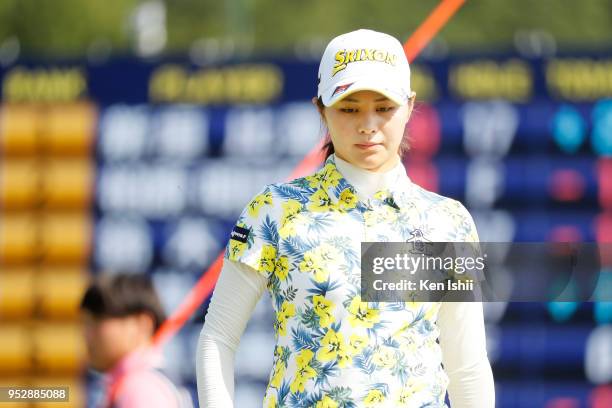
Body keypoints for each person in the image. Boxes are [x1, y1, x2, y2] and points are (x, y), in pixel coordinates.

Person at [196, 29, 495, 407]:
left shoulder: (448, 220)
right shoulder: (275, 210)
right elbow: (218, 338)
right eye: (349, 108)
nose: (368, 125)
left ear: (410, 106)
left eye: (384, 108)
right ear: (321, 108)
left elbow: (467, 365)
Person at [80, 273, 193, 408]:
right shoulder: (144, 383)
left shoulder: (142, 389)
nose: (86, 334)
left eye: (97, 321)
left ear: (142, 324)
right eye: (85, 323)